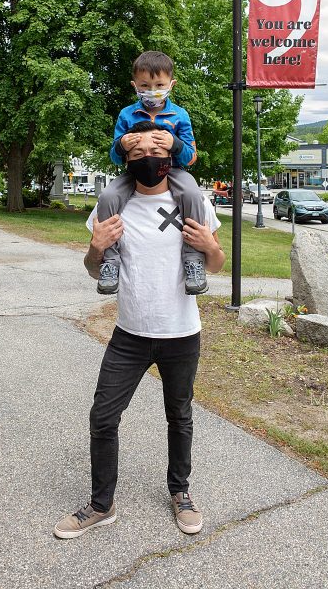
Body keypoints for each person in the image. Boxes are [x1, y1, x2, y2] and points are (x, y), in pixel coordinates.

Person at [54, 123, 226, 539]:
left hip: (181, 332)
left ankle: (181, 492)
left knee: (179, 415)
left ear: (170, 156)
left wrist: (210, 246)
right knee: (103, 415)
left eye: (157, 148)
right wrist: (96, 248)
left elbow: (217, 267)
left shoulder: (193, 200)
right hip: (129, 334)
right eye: (138, 151)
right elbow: (94, 269)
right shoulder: (113, 204)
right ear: (127, 158)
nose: (148, 157)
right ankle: (101, 504)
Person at [95, 50, 209, 295]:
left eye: (159, 85)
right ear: (135, 85)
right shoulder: (127, 114)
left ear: (171, 84)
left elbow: (191, 157)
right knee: (107, 197)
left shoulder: (180, 115)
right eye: (145, 85)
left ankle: (193, 258)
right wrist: (122, 145)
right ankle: (110, 262)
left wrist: (174, 144)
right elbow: (115, 157)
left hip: (173, 171)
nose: (152, 90)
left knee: (191, 193)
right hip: (134, 172)